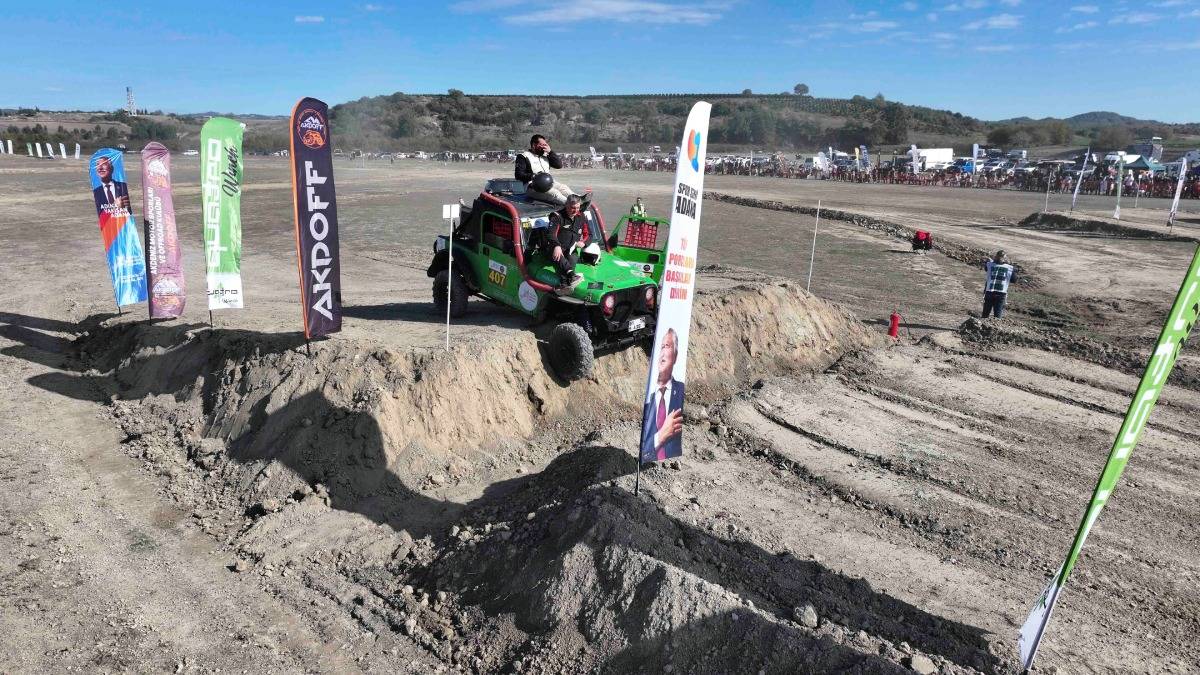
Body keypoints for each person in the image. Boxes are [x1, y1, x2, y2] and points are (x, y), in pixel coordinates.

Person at [641, 327, 685, 462]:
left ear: (675, 355)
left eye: (666, 346)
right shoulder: (648, 396)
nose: (661, 353)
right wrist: (659, 437)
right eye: (659, 347)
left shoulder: (680, 391)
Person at [537, 194, 588, 294]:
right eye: (573, 208)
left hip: (571, 249)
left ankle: (564, 284)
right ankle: (572, 275)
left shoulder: (581, 216)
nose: (576, 210)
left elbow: (589, 233)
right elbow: (550, 234)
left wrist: (583, 242)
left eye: (578, 207)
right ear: (566, 205)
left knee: (573, 258)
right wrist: (557, 246)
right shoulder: (557, 216)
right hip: (554, 249)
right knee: (559, 255)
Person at [516, 134, 574, 205]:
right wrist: (533, 176)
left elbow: (559, 165)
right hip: (533, 186)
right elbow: (518, 174)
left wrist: (550, 152)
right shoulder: (523, 156)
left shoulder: (546, 156)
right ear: (534, 145)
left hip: (549, 183)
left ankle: (579, 200)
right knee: (555, 193)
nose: (544, 147)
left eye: (545, 144)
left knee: (563, 188)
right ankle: (572, 205)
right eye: (542, 145)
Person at [981, 250, 1017, 319]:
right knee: (997, 316)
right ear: (1005, 258)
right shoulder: (1009, 268)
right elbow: (1014, 280)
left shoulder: (989, 265)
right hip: (1001, 293)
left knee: (985, 315)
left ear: (996, 256)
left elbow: (986, 267)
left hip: (989, 292)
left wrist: (992, 261)